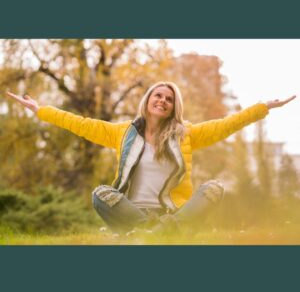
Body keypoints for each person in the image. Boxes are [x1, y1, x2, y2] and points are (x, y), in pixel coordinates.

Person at [5, 82, 296, 234]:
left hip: (173, 213)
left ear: (173, 108)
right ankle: (158, 233)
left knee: (214, 188)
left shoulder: (187, 135)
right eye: (157, 95)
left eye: (169, 99)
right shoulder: (121, 133)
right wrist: (40, 110)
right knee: (100, 193)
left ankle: (157, 233)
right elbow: (79, 123)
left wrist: (263, 107)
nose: (162, 101)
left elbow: (226, 124)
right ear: (148, 101)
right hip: (132, 213)